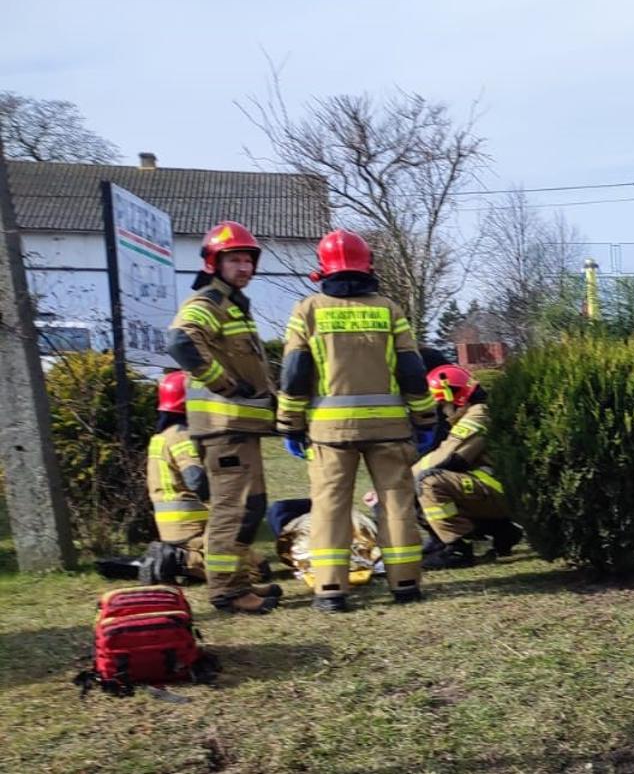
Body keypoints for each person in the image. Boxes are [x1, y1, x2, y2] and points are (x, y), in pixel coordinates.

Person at [277, 229, 437, 613]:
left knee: (329, 505)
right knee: (396, 502)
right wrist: (425, 417)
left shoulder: (308, 310)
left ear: (323, 268)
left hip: (329, 432)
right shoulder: (388, 310)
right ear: (368, 265)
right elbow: (413, 371)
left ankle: (331, 589)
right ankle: (406, 583)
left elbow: (295, 374)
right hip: (390, 428)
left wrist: (290, 424)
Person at [165, 221, 280, 614]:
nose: (245, 267)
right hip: (223, 429)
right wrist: (225, 384)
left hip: (239, 428)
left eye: (249, 259)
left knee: (252, 506)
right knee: (234, 510)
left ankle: (239, 582)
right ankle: (228, 592)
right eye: (235, 259)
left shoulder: (232, 305)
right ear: (215, 262)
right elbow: (180, 340)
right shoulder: (209, 303)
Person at [138, 371, 281, 598]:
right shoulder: (182, 436)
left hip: (175, 528)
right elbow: (196, 479)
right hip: (194, 527)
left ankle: (186, 560)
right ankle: (180, 559)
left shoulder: (161, 436)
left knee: (255, 564)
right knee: (257, 571)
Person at [415, 365, 523, 569]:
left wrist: (401, 480)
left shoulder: (479, 414)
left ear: (457, 398)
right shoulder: (470, 413)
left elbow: (452, 458)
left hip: (500, 490)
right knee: (422, 481)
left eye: (441, 404)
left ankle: (457, 549)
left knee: (427, 482)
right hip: (495, 490)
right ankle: (500, 530)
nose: (440, 410)